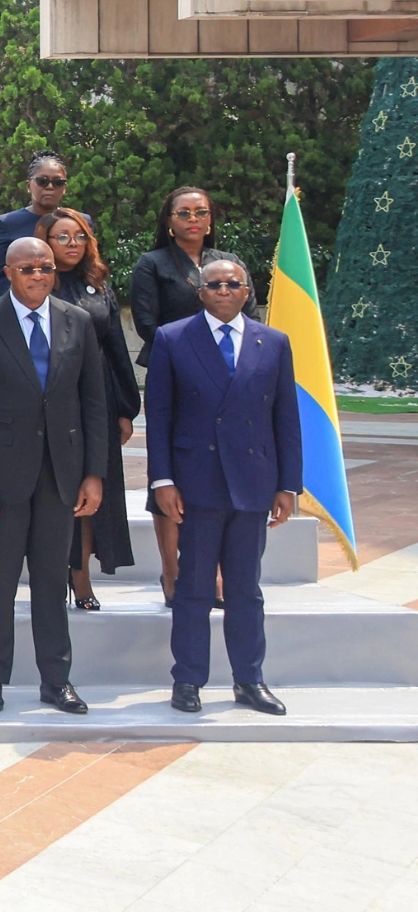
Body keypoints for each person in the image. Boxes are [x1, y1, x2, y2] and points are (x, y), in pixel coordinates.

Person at [0, 238, 107, 715]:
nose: (38, 275)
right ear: (9, 272)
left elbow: (94, 403)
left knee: (51, 582)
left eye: (46, 267)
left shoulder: (77, 320)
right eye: (28, 268)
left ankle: (56, 681)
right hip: (1, 476)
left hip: (60, 474)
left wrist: (94, 474)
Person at [145, 252, 299, 716]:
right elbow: (160, 416)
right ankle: (188, 681)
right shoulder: (172, 338)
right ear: (200, 292)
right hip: (197, 482)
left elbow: (285, 417)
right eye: (215, 285)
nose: (225, 291)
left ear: (247, 291)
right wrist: (163, 479)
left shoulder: (273, 342)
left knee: (245, 588)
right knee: (193, 586)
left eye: (234, 284)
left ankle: (249, 680)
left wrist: (288, 484)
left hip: (253, 481)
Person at [40, 208, 140, 609]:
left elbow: (116, 347)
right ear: (45, 241)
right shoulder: (36, 281)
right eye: (62, 237)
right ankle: (49, 575)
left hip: (96, 399)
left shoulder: (98, 286)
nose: (72, 245)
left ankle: (81, 580)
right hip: (48, 399)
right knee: (52, 492)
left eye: (79, 237)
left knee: (88, 491)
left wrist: (126, 409)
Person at [132, 186, 223, 602]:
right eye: (183, 212)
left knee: (218, 474)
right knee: (168, 472)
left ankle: (215, 571)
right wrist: (195, 355)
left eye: (200, 212)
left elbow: (248, 315)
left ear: (210, 219)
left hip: (224, 384)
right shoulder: (152, 265)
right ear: (168, 220)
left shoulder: (229, 264)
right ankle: (173, 571)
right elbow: (147, 324)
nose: (192, 218)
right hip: (173, 378)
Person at [0, 151, 89, 297]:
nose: (50, 187)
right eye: (42, 181)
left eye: (58, 182)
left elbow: (91, 269)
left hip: (78, 304)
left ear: (65, 188)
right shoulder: (7, 224)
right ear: (29, 185)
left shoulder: (80, 222)